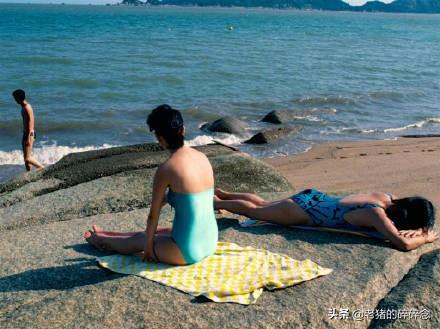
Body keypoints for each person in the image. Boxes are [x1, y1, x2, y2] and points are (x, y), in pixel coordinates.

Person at [84, 105, 218, 265]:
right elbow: (193, 197)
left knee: (142, 238)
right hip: (210, 241)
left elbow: (152, 216)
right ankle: (107, 234)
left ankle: (100, 241)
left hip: (186, 252)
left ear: (159, 138)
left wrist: (148, 248)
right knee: (162, 230)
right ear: (183, 130)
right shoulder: (202, 157)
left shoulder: (167, 169)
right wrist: (168, 199)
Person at [214, 188, 438, 251]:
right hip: (304, 213)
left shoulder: (387, 197)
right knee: (253, 211)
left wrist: (418, 228)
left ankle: (223, 194)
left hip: (313, 197)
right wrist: (425, 237)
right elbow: (403, 244)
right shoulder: (376, 215)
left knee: (262, 204)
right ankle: (216, 203)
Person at [12, 89, 44, 171]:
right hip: (25, 133)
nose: (15, 100)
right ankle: (28, 174)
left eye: (15, 98)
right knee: (26, 158)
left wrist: (29, 138)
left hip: (29, 134)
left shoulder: (27, 107)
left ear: (18, 98)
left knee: (27, 158)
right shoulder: (24, 107)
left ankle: (43, 169)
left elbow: (31, 122)